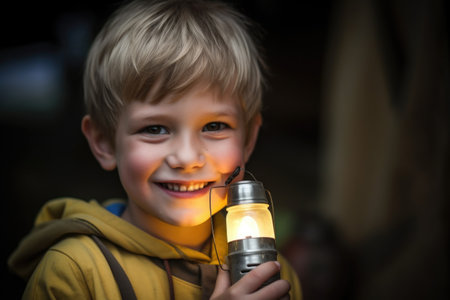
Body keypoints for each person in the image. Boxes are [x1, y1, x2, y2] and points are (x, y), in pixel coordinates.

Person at [8, 0, 302, 299]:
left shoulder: (272, 274)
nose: (187, 158)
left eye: (214, 126)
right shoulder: (75, 273)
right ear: (104, 142)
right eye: (155, 129)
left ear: (249, 138)